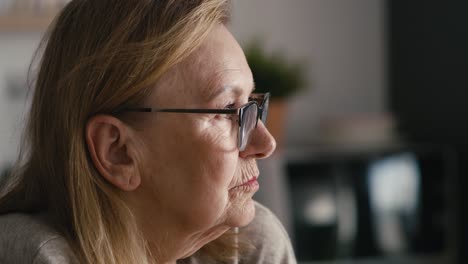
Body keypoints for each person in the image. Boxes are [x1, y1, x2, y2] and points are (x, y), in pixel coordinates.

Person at [0, 0, 297, 263]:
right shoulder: (32, 254)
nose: (265, 143)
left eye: (252, 106)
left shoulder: (251, 248)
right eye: (228, 110)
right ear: (118, 151)